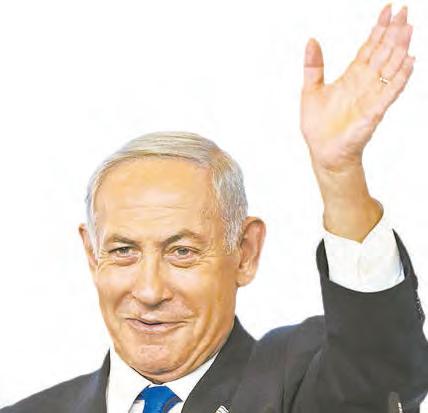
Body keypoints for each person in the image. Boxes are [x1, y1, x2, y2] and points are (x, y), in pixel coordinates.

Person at [2, 4, 427, 413]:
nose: (149, 291)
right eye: (123, 251)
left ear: (245, 253)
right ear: (92, 255)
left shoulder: (294, 385)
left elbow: (376, 375)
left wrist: (339, 173)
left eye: (182, 252)